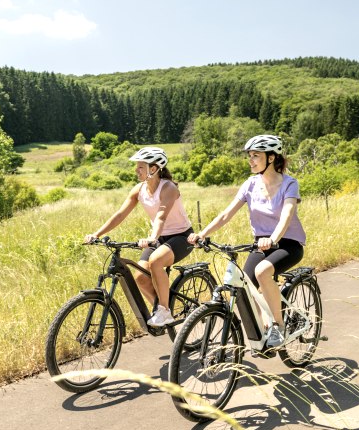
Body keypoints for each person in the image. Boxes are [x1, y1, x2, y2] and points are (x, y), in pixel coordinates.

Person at [188, 135, 306, 348]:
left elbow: (287, 215)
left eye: (255, 156)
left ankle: (278, 327)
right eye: (249, 156)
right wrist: (202, 234)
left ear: (271, 158)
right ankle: (262, 335)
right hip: (262, 243)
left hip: (288, 243)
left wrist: (272, 238)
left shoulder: (289, 184)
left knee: (262, 272)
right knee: (245, 284)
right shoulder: (250, 184)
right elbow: (226, 215)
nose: (250, 160)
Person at [84, 147, 194, 327]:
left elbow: (161, 216)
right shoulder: (139, 190)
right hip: (159, 237)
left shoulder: (169, 188)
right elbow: (120, 215)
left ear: (154, 169)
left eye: (140, 167)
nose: (136, 170)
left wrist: (151, 238)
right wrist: (97, 234)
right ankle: (160, 308)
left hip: (181, 237)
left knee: (156, 261)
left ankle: (164, 311)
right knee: (141, 277)